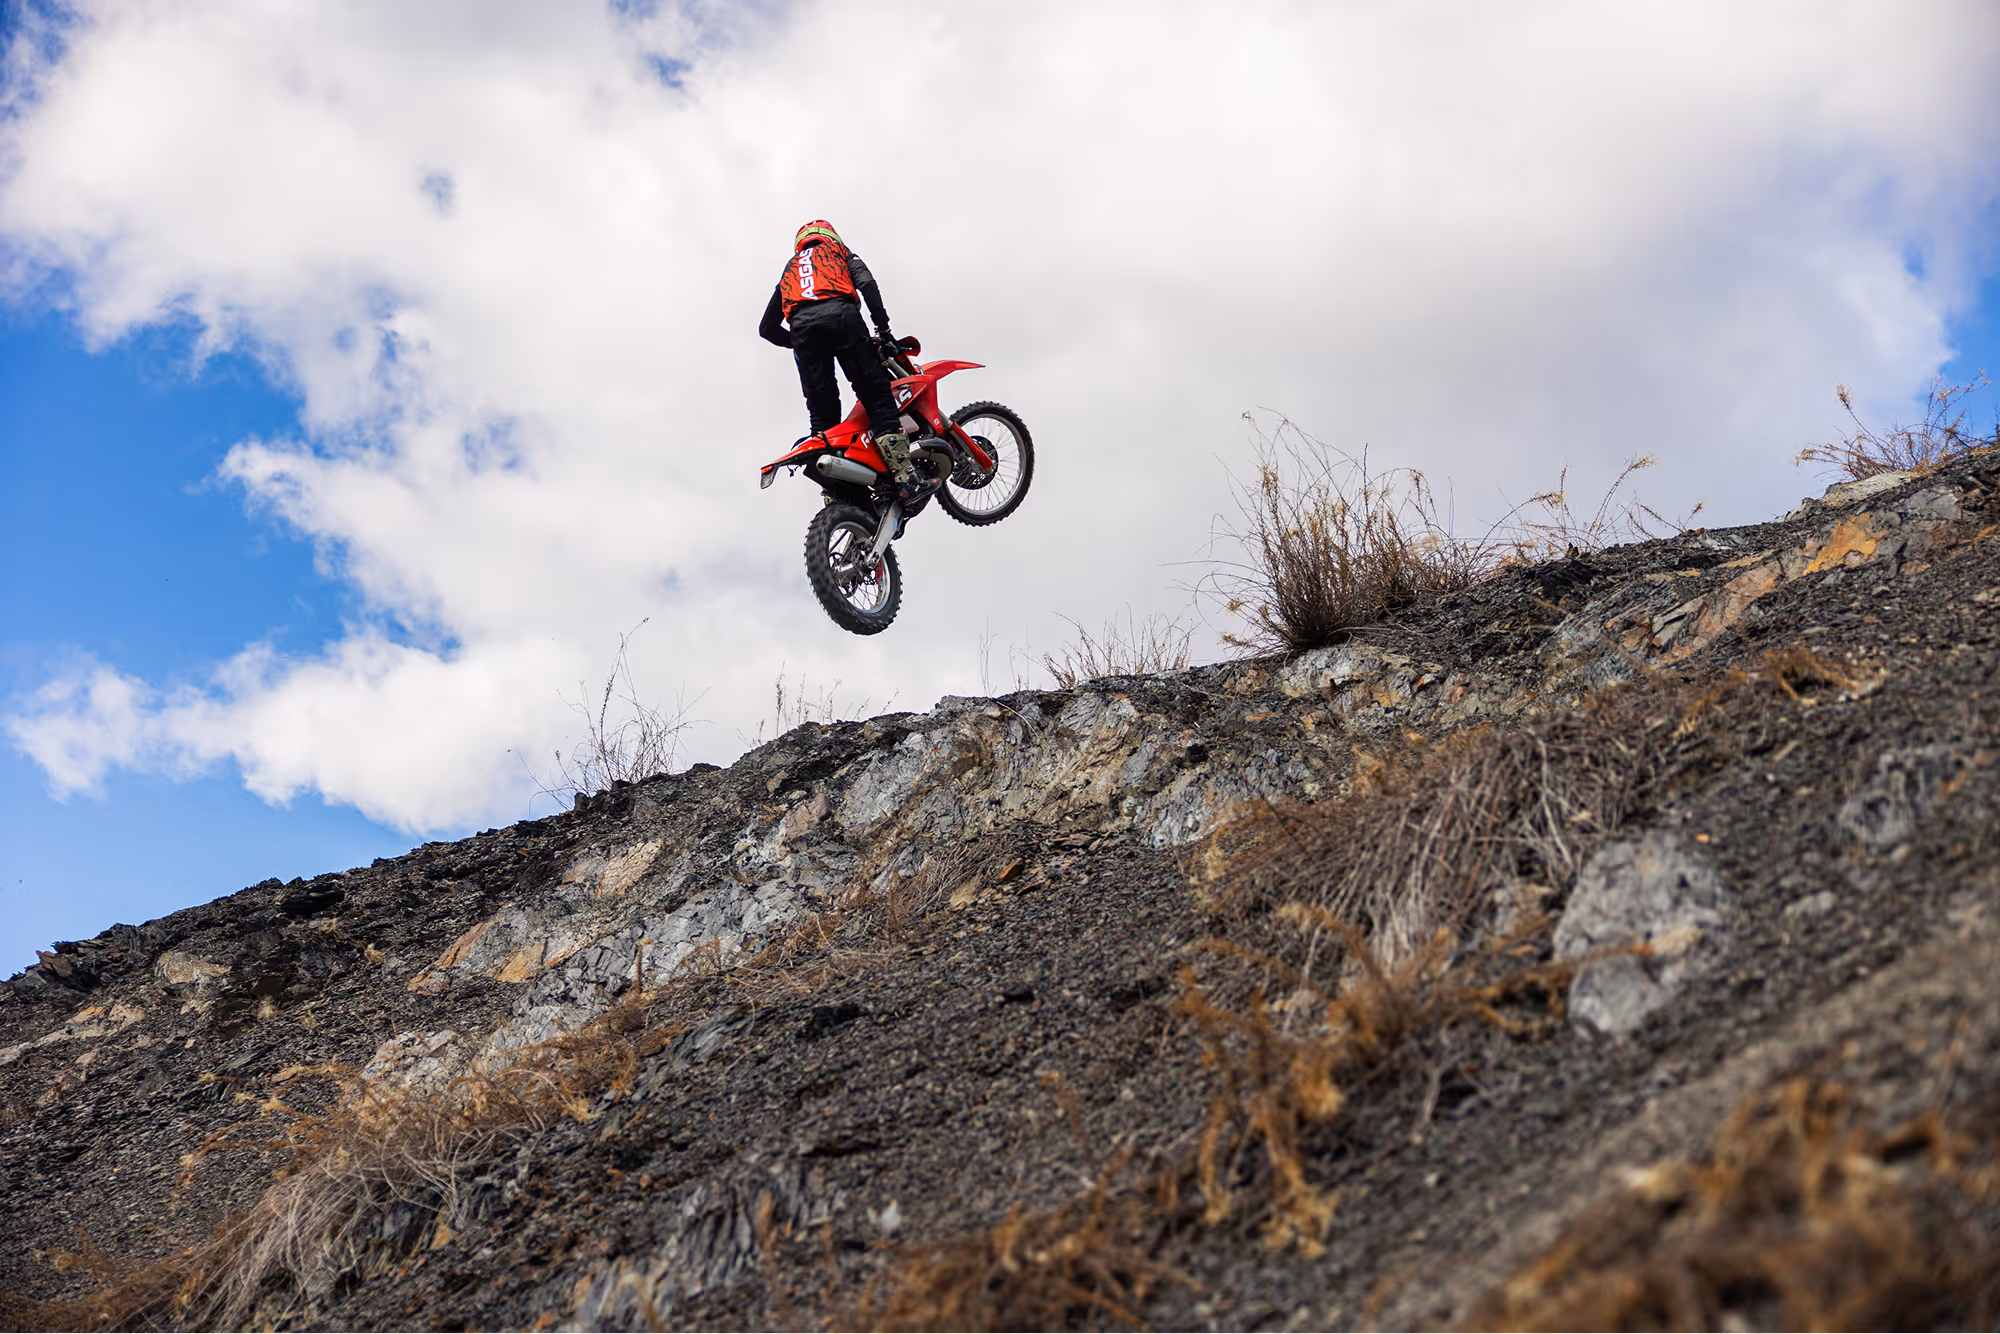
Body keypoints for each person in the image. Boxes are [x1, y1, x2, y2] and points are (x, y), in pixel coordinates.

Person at [759, 220, 938, 504]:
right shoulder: (840, 252)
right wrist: (884, 330)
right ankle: (906, 478)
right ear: (831, 236)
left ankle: (836, 491)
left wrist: (803, 342)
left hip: (802, 328)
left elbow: (766, 328)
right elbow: (867, 284)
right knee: (877, 396)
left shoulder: (790, 269)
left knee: (822, 417)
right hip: (842, 317)